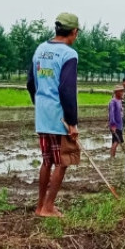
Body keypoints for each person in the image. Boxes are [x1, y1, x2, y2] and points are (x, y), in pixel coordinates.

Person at [27, 12, 81, 217]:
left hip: (42, 115)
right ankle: (48, 207)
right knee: (62, 161)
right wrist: (72, 122)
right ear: (74, 32)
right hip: (59, 117)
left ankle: (40, 205)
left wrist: (40, 104)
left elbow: (30, 83)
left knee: (47, 160)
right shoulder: (69, 54)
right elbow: (67, 90)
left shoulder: (40, 49)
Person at [109, 85, 125, 158]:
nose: (122, 93)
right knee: (116, 141)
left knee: (115, 141)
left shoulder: (120, 101)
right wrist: (113, 125)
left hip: (120, 124)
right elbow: (111, 114)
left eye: (123, 91)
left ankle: (112, 156)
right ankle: (112, 157)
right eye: (121, 91)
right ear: (117, 92)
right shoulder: (113, 102)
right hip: (115, 125)